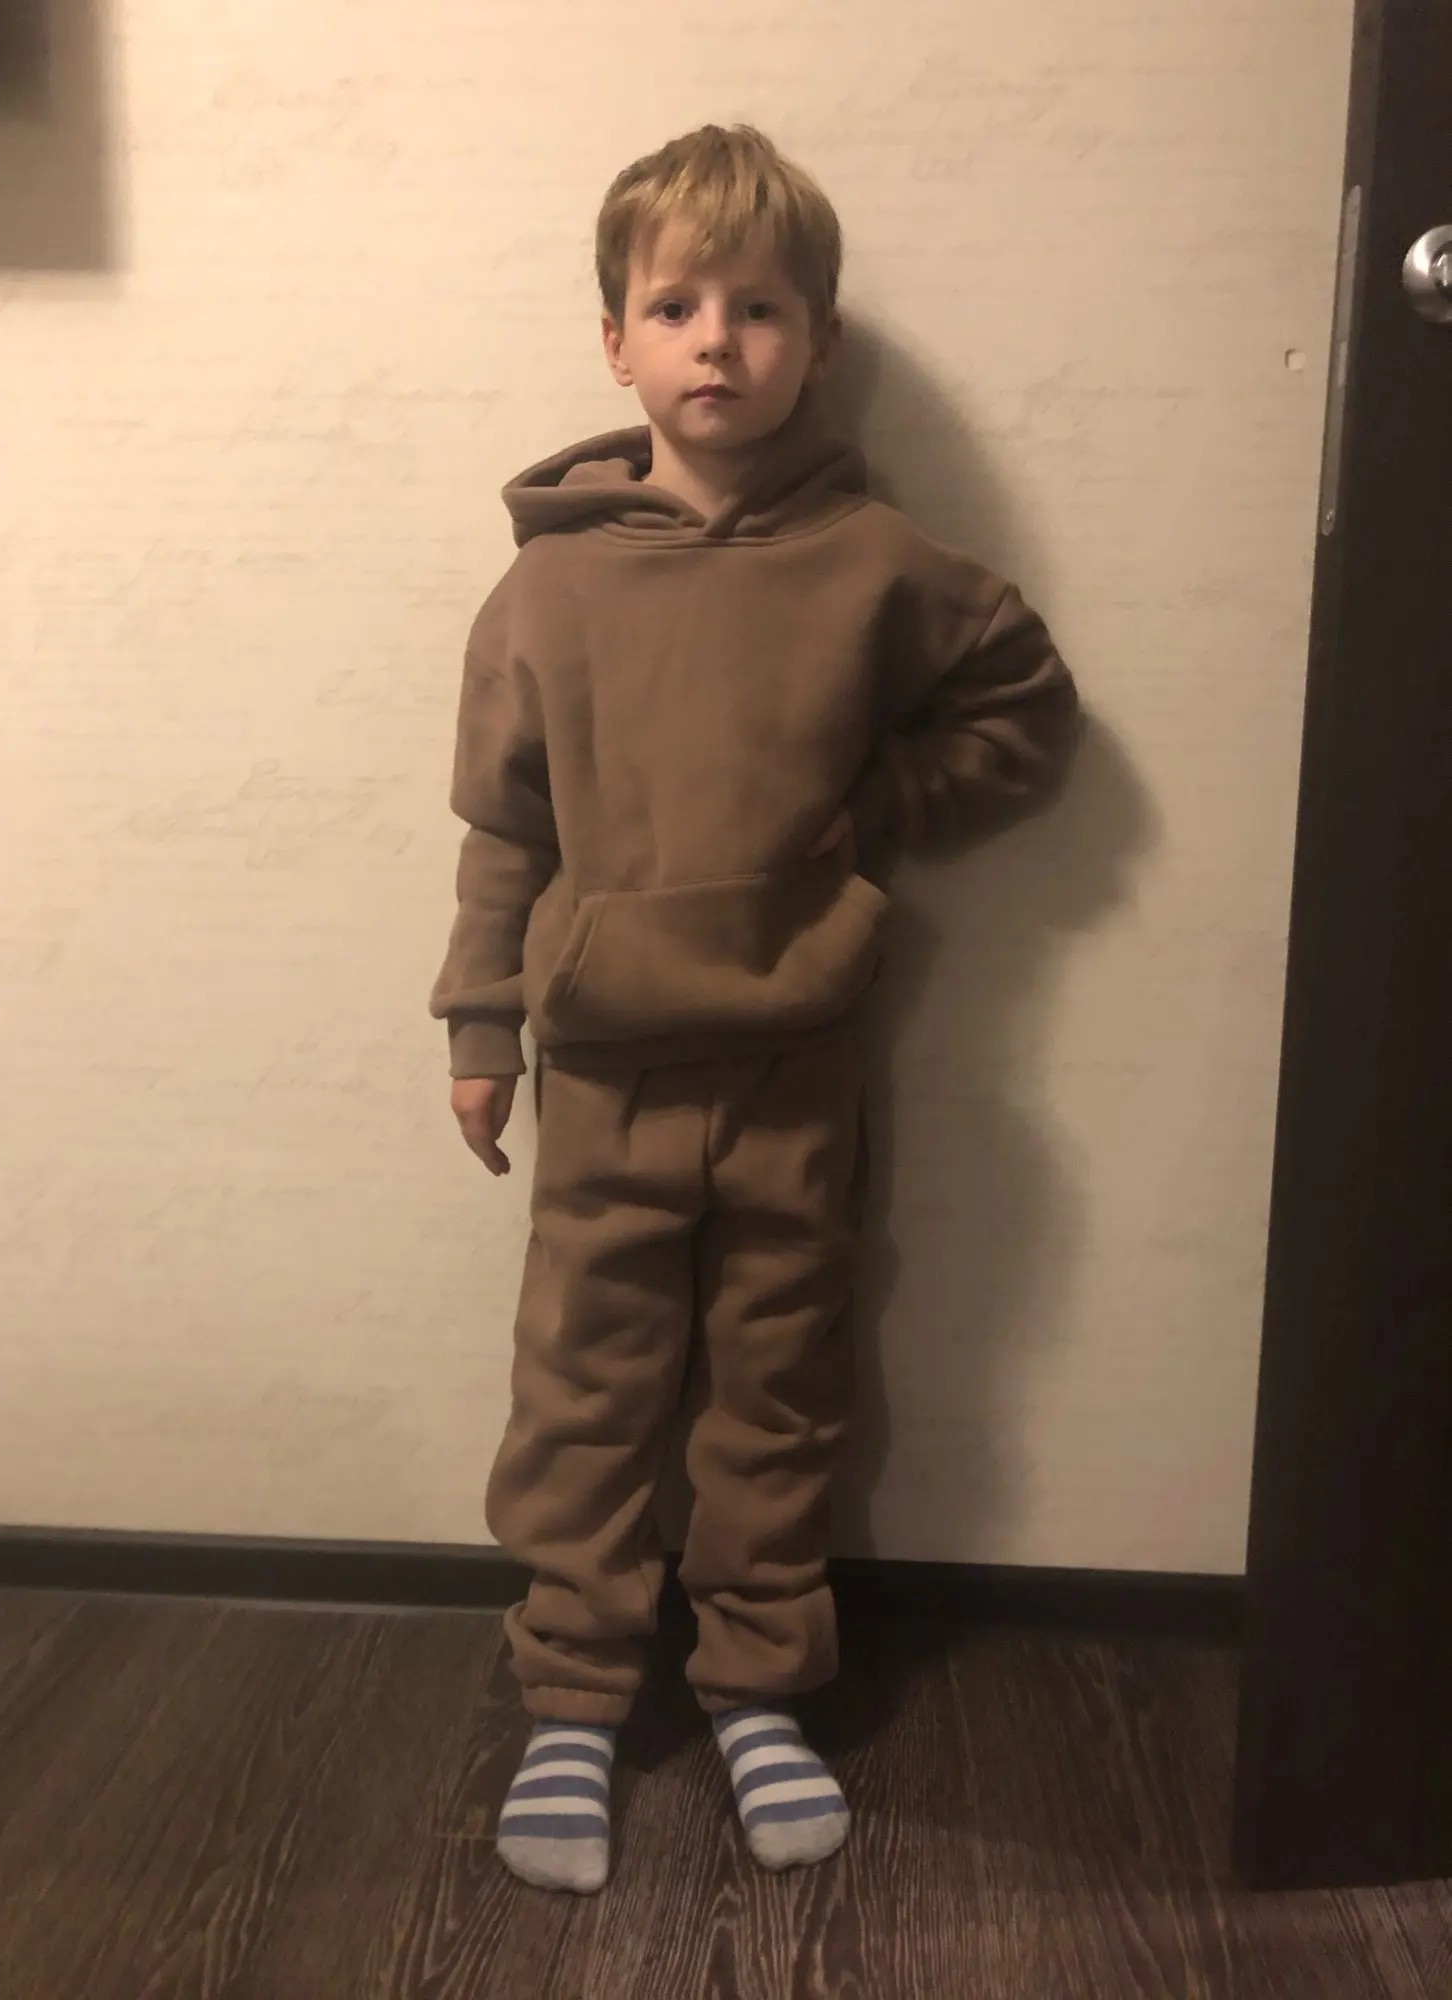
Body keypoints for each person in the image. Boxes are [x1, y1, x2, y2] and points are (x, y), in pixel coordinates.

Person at [430, 123, 1078, 1895]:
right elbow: (503, 833)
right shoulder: (548, 585)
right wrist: (481, 1031)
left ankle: (759, 1688)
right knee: (585, 1394)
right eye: (677, 307)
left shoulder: (879, 563)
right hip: (605, 1070)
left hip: (800, 1065)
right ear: (616, 343)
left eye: (762, 308)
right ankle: (575, 1698)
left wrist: (881, 812)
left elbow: (1022, 705)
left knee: (780, 1393)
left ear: (821, 340)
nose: (718, 341)